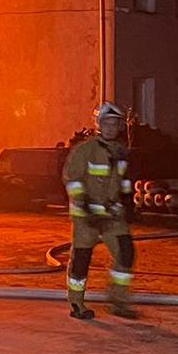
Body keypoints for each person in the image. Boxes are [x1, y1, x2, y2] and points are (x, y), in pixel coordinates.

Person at [61, 102, 137, 320]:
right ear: (99, 124)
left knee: (126, 253)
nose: (111, 128)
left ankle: (118, 301)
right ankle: (77, 304)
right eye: (107, 123)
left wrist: (128, 201)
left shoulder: (120, 152)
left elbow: (121, 181)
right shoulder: (85, 150)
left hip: (112, 215)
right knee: (82, 259)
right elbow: (72, 179)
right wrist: (83, 203)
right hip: (87, 218)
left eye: (115, 124)